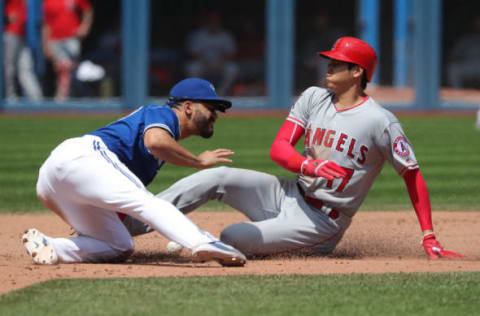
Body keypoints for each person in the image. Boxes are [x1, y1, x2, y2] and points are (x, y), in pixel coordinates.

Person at [123, 37, 464, 260]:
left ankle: (201, 240)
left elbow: (412, 176)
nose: (328, 66)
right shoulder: (315, 97)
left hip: (321, 221)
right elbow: (279, 149)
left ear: (357, 71)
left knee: (233, 236)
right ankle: (128, 224)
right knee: (216, 177)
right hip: (288, 193)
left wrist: (429, 235)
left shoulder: (381, 121)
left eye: (337, 63)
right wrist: (309, 166)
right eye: (329, 61)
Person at [21, 78, 247, 267]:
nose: (216, 114)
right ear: (188, 107)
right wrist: (198, 160)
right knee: (145, 202)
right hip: (82, 157)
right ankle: (202, 242)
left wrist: (93, 218)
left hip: (55, 184)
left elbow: (118, 196)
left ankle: (52, 247)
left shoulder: (162, 145)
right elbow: (155, 141)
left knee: (119, 246)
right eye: (211, 108)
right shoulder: (162, 114)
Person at [42, 0, 93, 101]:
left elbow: (88, 11)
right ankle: (65, 98)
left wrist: (85, 27)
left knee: (68, 68)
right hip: (55, 40)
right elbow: (46, 25)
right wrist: (45, 45)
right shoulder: (48, 2)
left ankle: (63, 98)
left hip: (71, 38)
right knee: (61, 69)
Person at [185, 11, 238, 96]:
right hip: (203, 63)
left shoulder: (226, 35)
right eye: (211, 21)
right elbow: (194, 53)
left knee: (232, 69)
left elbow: (230, 53)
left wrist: (220, 63)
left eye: (216, 21)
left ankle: (221, 92)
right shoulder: (199, 35)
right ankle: (201, 93)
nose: (213, 23)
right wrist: (207, 63)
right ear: (207, 22)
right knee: (192, 68)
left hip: (221, 64)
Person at [3, 0, 43, 101]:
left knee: (26, 67)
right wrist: (5, 18)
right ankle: (10, 97)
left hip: (22, 34)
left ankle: (37, 99)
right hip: (10, 32)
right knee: (9, 68)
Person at [447, 15, 480, 89]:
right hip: (468, 65)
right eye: (478, 23)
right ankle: (457, 94)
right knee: (453, 68)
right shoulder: (465, 39)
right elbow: (454, 55)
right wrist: (455, 60)